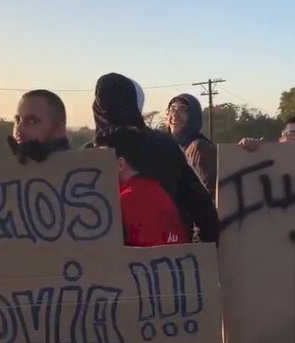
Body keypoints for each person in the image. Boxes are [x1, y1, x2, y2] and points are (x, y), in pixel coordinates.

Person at [93, 125, 188, 343]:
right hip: (167, 326)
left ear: (120, 163)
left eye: (102, 159)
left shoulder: (124, 201)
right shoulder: (158, 192)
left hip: (136, 333)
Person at [90, 73, 219, 244]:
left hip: (107, 265)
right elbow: (204, 210)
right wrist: (196, 258)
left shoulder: (90, 156)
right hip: (168, 261)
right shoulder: (163, 145)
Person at [2, 89, 76, 343]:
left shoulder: (79, 179)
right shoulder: (11, 175)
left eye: (31, 120)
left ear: (58, 127)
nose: (19, 129)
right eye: (17, 120)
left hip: (57, 326)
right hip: (15, 325)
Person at [166, 94, 217, 196]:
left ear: (194, 116)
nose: (175, 115)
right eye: (172, 109)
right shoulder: (171, 148)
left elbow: (205, 193)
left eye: (182, 110)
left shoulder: (199, 148)